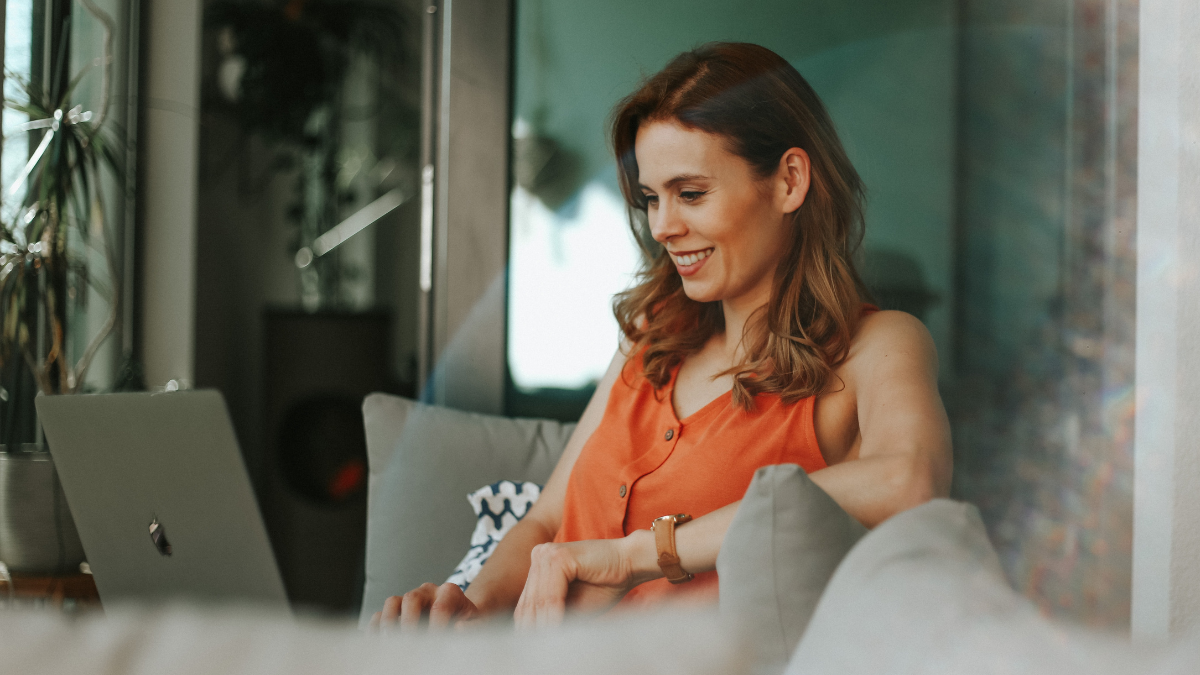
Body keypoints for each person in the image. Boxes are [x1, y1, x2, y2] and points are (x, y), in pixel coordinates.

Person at [374, 42, 952, 630]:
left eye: (691, 193)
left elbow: (910, 480)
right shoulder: (652, 337)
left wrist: (636, 556)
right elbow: (548, 521)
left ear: (789, 181)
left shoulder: (876, 347)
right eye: (652, 198)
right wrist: (466, 610)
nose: (663, 227)